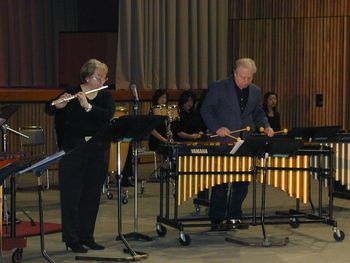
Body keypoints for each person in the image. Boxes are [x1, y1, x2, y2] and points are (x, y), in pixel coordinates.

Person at [46, 59, 115, 253]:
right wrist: (57, 106)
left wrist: (88, 106)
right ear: (87, 77)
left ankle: (87, 236)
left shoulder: (105, 97)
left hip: (97, 150)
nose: (103, 80)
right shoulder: (72, 91)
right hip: (74, 150)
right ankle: (72, 239)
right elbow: (49, 107)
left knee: (91, 195)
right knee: (71, 196)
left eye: (104, 77)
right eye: (99, 77)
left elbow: (106, 116)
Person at [200, 57, 274, 230]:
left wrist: (266, 125)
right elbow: (206, 109)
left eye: (249, 78)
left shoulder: (255, 90)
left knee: (242, 182)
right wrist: (217, 127)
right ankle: (217, 220)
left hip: (244, 142)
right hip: (222, 141)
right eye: (243, 77)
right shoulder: (219, 87)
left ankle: (234, 216)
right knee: (221, 183)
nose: (246, 81)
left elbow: (258, 112)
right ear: (235, 73)